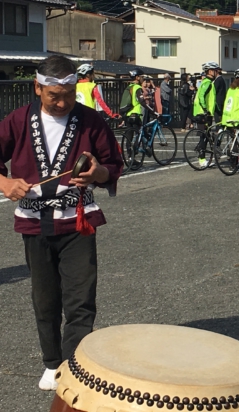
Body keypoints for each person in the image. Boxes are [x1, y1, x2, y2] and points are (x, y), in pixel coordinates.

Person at [0, 55, 124, 391]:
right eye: (54, 95)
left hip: (78, 222)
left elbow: (112, 164)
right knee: (45, 297)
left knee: (80, 297)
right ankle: (52, 361)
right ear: (37, 88)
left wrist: (98, 173)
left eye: (67, 95)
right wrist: (6, 183)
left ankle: (73, 364)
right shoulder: (17, 120)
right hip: (33, 221)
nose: (61, 102)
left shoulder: (90, 121)